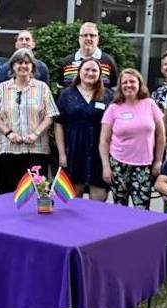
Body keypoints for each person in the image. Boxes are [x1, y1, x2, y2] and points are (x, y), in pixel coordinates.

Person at [0, 48, 58, 192]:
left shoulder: (42, 88)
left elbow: (49, 115)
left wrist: (35, 134)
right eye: (19, 62)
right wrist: (8, 133)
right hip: (7, 149)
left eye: (27, 63)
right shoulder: (2, 88)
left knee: (37, 192)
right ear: (12, 66)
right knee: (7, 192)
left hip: (36, 149)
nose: (23, 66)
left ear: (32, 66)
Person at [100, 68, 164, 209]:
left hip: (144, 165)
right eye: (125, 82)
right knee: (120, 208)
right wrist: (106, 166)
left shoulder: (150, 104)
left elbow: (161, 135)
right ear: (120, 86)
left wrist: (158, 161)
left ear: (140, 84)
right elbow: (104, 141)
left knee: (142, 208)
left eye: (132, 82)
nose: (129, 85)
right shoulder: (113, 108)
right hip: (119, 164)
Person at [54, 58, 113, 201]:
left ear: (100, 74)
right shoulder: (66, 94)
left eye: (94, 70)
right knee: (72, 202)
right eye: (86, 69)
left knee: (99, 201)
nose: (90, 73)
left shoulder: (108, 95)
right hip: (74, 150)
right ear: (79, 71)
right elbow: (58, 124)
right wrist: (62, 153)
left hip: (99, 153)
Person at [58, 22, 119, 88]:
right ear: (79, 38)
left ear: (97, 39)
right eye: (85, 35)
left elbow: (114, 89)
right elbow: (61, 89)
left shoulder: (108, 61)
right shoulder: (67, 62)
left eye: (92, 35)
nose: (88, 38)